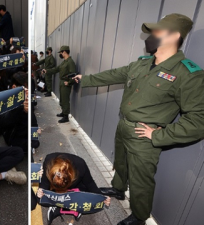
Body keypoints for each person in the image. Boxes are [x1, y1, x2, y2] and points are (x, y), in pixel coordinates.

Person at [73, 14, 204, 225]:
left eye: (157, 31)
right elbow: (116, 74)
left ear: (174, 36)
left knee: (141, 179)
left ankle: (139, 216)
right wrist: (86, 79)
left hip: (145, 137)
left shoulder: (188, 73)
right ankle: (118, 189)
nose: (150, 36)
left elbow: (199, 121)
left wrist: (159, 135)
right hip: (124, 125)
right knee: (121, 163)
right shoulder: (143, 63)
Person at [36, 153, 111, 224]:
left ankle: (63, 206)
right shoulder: (49, 161)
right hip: (55, 188)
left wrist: (102, 198)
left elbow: (90, 184)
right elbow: (44, 185)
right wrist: (40, 193)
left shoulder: (80, 165)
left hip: (76, 187)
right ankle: (60, 207)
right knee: (41, 199)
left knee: (89, 199)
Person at [43, 46, 76, 123]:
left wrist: (69, 82)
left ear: (64, 52)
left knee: (65, 100)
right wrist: (47, 71)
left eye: (61, 52)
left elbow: (73, 74)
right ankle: (63, 112)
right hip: (62, 82)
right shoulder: (64, 62)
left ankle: (66, 116)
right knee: (62, 99)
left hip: (66, 83)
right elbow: (56, 69)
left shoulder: (70, 62)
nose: (60, 54)